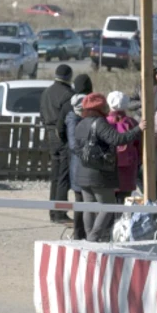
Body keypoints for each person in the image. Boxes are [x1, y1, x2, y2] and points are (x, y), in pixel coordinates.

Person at [74, 93, 146, 242]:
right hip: (99, 173)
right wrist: (138, 129)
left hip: (82, 171)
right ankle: (94, 237)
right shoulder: (99, 123)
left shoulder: (81, 123)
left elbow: (75, 146)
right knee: (109, 205)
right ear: (100, 108)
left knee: (89, 206)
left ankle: (89, 237)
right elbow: (118, 139)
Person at [39, 64, 75, 224]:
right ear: (69, 77)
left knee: (55, 175)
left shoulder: (46, 92)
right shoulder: (68, 94)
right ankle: (60, 212)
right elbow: (67, 118)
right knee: (63, 176)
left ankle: (52, 211)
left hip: (49, 134)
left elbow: (41, 114)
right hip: (62, 135)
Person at [106, 91, 141, 203]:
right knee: (125, 201)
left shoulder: (103, 122)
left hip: (108, 167)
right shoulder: (132, 123)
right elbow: (139, 146)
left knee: (108, 203)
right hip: (128, 168)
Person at [65, 93, 87, 239]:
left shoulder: (78, 119)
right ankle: (78, 234)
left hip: (81, 166)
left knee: (86, 202)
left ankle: (82, 233)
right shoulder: (74, 120)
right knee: (80, 202)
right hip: (79, 167)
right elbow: (74, 145)